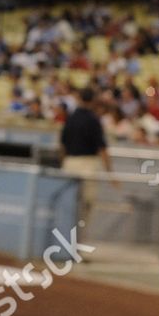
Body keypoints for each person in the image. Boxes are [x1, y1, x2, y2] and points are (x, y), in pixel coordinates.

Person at [60, 84, 111, 235]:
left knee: (67, 205)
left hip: (70, 163)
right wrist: (110, 173)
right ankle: (76, 245)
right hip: (88, 165)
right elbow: (102, 148)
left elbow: (62, 146)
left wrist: (64, 162)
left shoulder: (70, 118)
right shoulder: (94, 120)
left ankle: (63, 243)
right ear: (93, 100)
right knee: (86, 206)